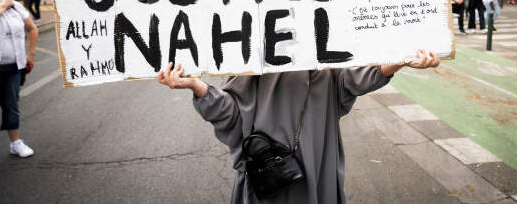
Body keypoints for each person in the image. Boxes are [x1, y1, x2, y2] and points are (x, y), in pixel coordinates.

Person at [158, 50, 440, 204]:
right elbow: (232, 116)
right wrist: (197, 86)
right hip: (269, 182)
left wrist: (400, 60)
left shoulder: (327, 53)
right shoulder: (252, 54)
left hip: (318, 176)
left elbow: (357, 78)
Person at [0, 0, 38, 157]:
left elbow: (32, 29)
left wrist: (31, 54)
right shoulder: (7, 4)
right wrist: (5, 3)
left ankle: (16, 143)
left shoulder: (15, 7)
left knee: (11, 106)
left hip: (13, 68)